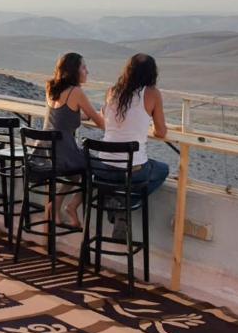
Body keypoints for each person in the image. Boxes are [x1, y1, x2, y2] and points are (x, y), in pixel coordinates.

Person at [101, 54, 170, 221]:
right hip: (131, 171)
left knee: (132, 168)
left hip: (103, 169)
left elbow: (107, 118)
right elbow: (161, 132)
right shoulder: (152, 93)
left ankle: (116, 202)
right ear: (152, 73)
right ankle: (124, 204)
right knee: (163, 169)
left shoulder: (112, 91)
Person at [42, 52, 104, 228]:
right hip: (63, 153)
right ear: (73, 71)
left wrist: (83, 117)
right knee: (96, 169)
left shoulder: (51, 88)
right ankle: (72, 206)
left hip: (45, 151)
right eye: (84, 67)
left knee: (75, 175)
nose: (87, 71)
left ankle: (54, 206)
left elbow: (63, 115)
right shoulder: (76, 92)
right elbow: (100, 122)